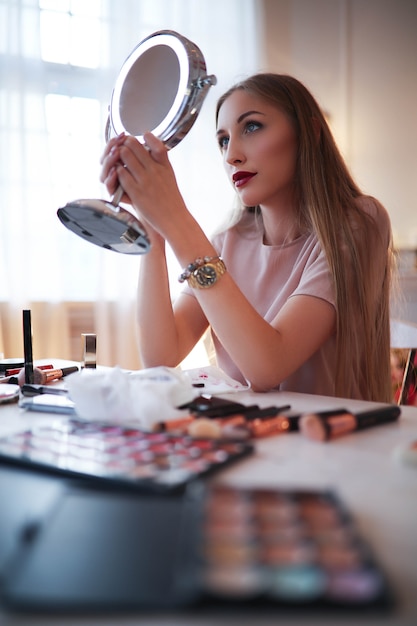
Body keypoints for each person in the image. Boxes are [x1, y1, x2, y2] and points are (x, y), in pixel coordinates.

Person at [100, 73, 394, 401]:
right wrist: (152, 225)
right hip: (251, 439)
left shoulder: (359, 223)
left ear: (309, 132)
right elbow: (160, 358)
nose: (231, 155)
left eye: (252, 127)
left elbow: (268, 366)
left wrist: (177, 218)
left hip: (332, 443)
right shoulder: (228, 242)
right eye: (223, 140)